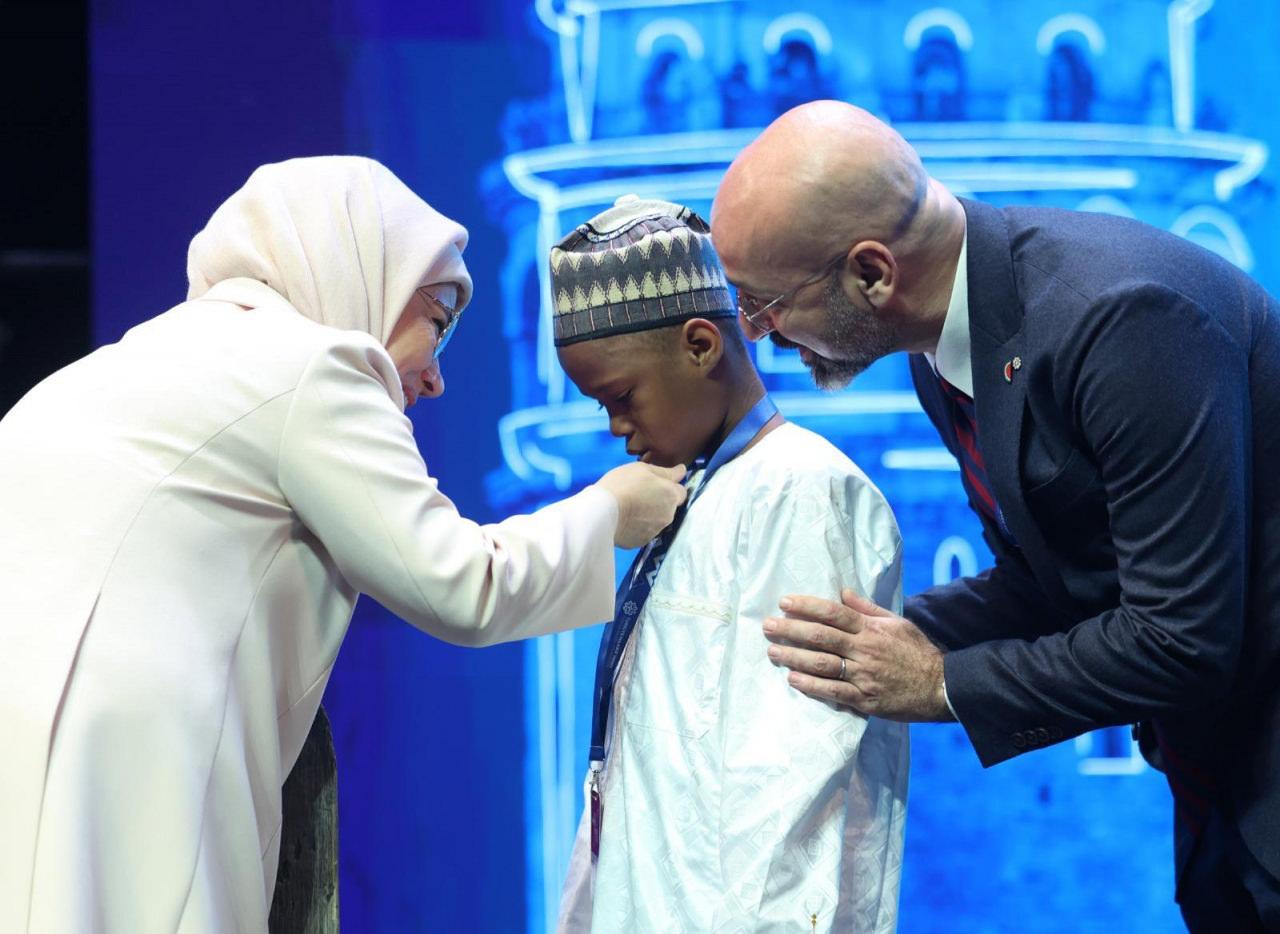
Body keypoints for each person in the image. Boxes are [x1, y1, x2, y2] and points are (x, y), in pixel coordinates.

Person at [0, 156, 687, 933]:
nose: (436, 378)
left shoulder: (108, 369)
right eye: (438, 321)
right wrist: (608, 511)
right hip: (142, 756)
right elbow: (460, 584)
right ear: (355, 265)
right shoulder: (315, 364)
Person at [710, 100, 1280, 929]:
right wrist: (856, 644)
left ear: (872, 274)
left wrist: (938, 683)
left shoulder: (1124, 318)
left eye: (765, 304)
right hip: (1220, 789)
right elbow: (1051, 582)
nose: (758, 335)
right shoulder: (946, 347)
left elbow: (1180, 641)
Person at [551, 196, 908, 933]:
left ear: (700, 345)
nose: (616, 428)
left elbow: (792, 790)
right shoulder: (695, 493)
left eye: (622, 397)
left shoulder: (802, 492)